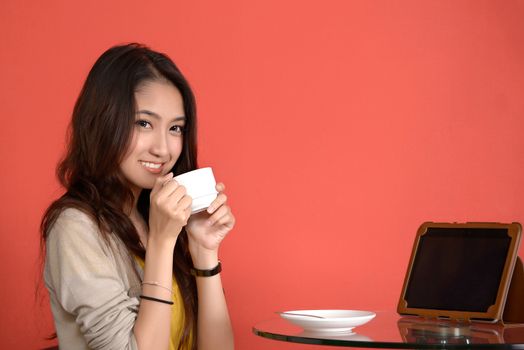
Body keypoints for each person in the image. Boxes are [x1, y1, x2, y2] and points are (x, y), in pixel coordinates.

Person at [41, 43, 235, 350]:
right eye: (143, 123)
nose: (163, 148)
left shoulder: (157, 218)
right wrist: (161, 242)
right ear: (104, 121)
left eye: (175, 128)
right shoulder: (75, 228)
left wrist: (203, 252)